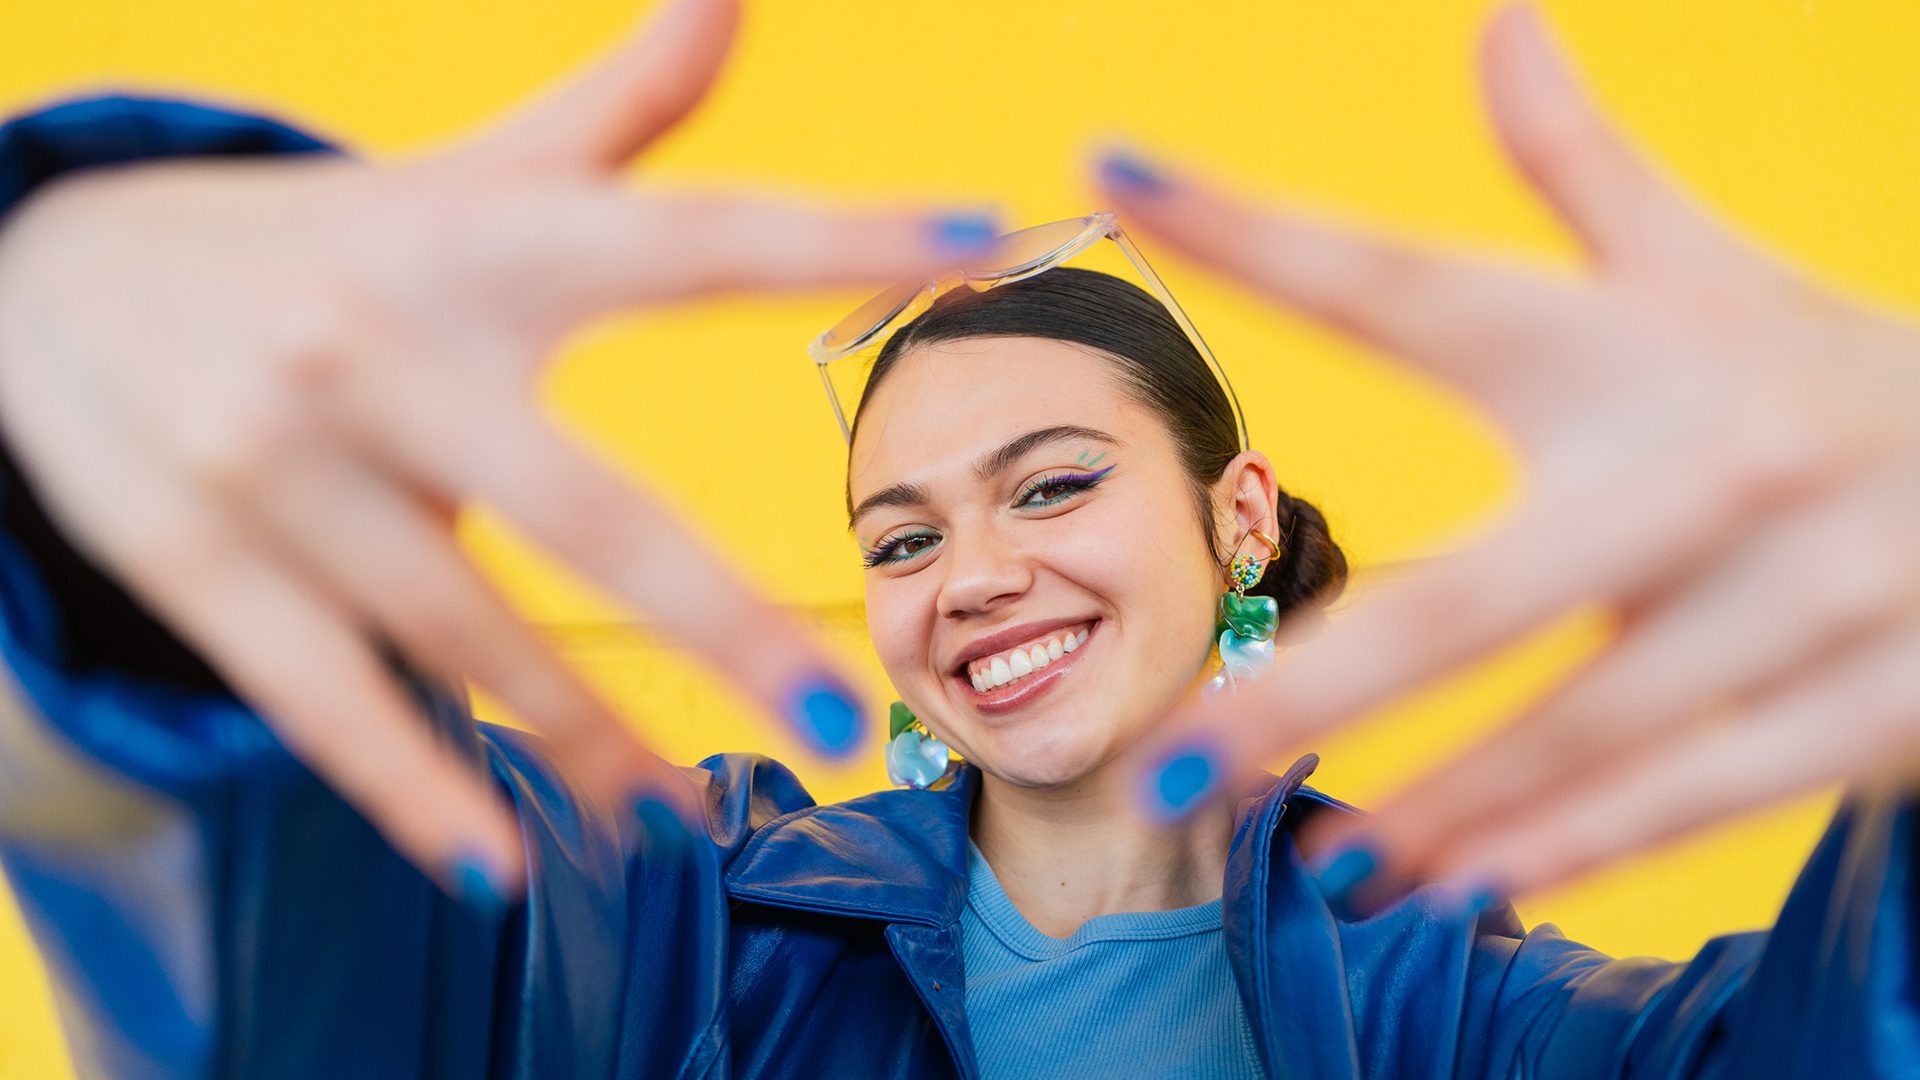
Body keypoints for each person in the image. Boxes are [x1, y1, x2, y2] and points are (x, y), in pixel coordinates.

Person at [3, 3, 1919, 1080]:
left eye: (1056, 485)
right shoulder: (697, 931)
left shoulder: (1458, 1010)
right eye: (900, 536)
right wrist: (94, 479)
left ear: (1234, 514)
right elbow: (301, 925)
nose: (974, 574)